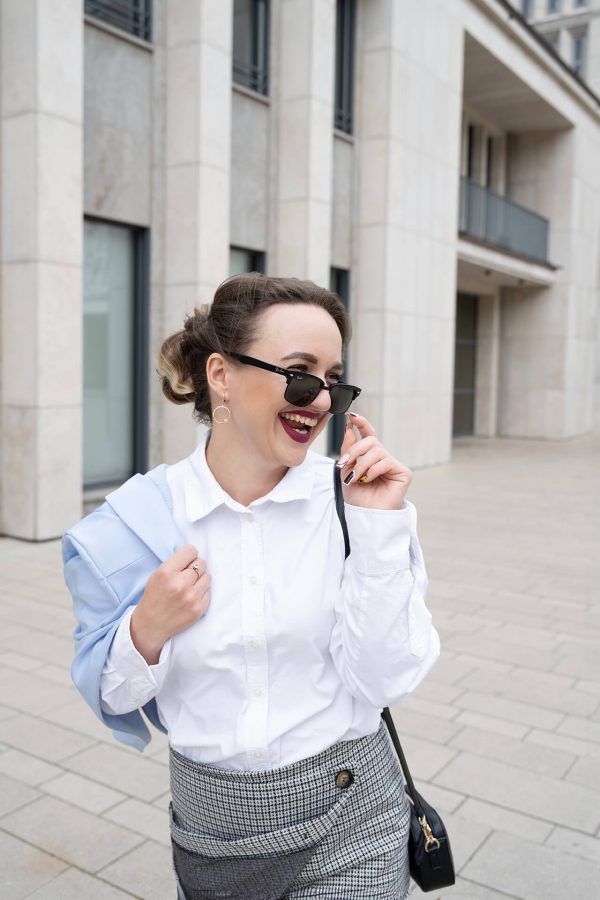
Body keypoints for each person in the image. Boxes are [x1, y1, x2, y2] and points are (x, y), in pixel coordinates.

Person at [63, 273, 440, 900]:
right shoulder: (135, 524)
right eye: (299, 374)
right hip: (212, 836)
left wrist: (378, 531)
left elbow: (382, 681)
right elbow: (111, 696)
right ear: (221, 375)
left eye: (333, 380)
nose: (320, 400)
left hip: (356, 818)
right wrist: (147, 628)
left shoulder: (355, 505)